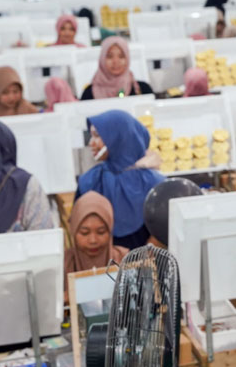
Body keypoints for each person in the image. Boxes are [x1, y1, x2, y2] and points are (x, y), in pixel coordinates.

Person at [76, 110, 164, 249]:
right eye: (91, 136)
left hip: (149, 266)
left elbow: (163, 233)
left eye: (98, 136)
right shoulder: (89, 181)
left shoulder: (156, 186)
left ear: (118, 138)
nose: (91, 143)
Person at [64, 191, 129, 290]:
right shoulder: (62, 266)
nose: (93, 240)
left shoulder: (126, 261)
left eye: (101, 232)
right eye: (84, 232)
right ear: (73, 230)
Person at [80, 37, 153, 100]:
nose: (115, 61)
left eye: (121, 56)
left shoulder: (143, 90)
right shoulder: (88, 94)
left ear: (127, 59)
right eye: (110, 56)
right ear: (102, 59)